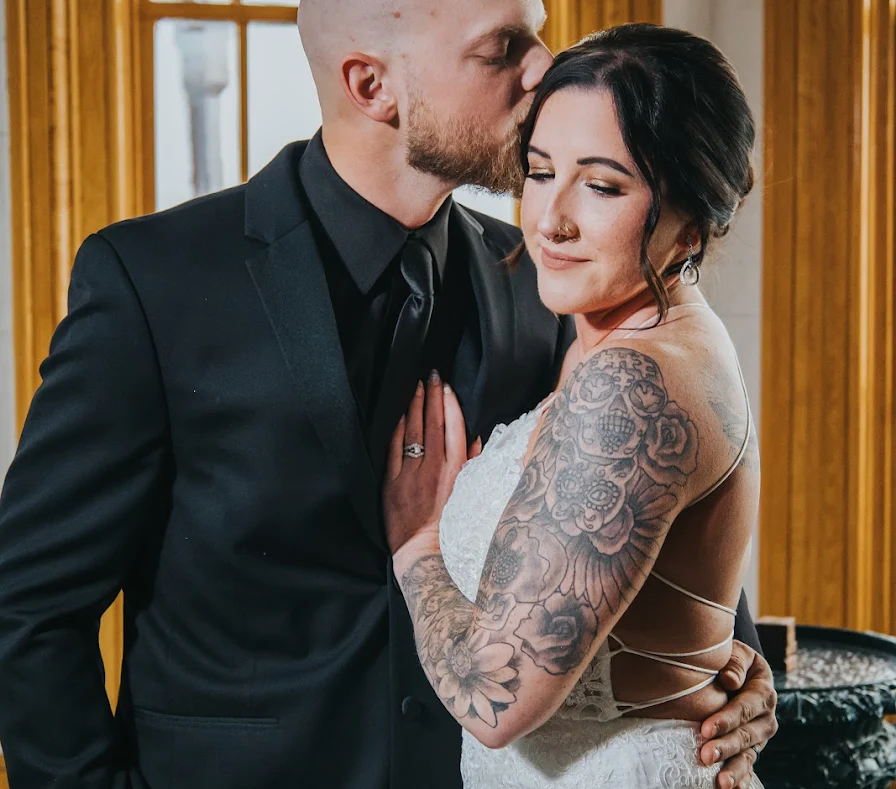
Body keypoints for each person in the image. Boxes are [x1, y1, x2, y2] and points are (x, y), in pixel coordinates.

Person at [0, 1, 774, 786]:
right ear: (372, 85)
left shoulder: (543, 284)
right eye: (502, 48)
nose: (543, 65)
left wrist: (724, 660)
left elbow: (630, 495)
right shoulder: (154, 283)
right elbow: (28, 604)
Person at [385, 22, 774, 789]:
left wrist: (418, 547)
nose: (550, 219)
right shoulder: (610, 332)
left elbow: (496, 702)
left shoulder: (634, 380)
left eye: (602, 185)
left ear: (690, 219)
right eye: (537, 171)